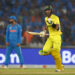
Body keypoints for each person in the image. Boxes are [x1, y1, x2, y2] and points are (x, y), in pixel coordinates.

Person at [39, 5, 64, 72]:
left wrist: (52, 23)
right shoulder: (46, 18)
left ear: (51, 10)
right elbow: (47, 26)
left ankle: (60, 68)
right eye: (46, 10)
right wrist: (44, 31)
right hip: (50, 37)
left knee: (56, 53)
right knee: (44, 51)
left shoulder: (55, 17)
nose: (47, 11)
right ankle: (60, 64)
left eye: (48, 10)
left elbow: (57, 28)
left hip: (57, 36)